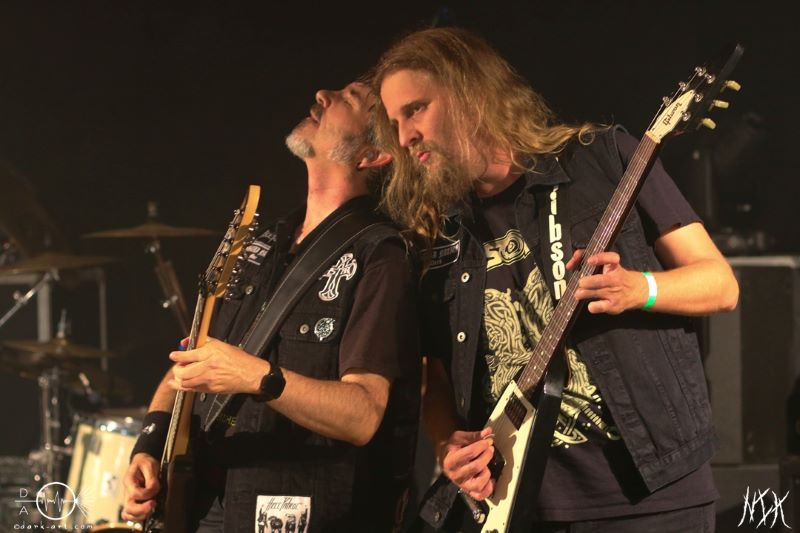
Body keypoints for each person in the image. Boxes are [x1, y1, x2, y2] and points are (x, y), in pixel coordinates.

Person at [373, 27, 739, 532]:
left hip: (651, 496)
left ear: (470, 94)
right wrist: (446, 446)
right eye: (394, 121)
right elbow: (434, 377)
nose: (404, 136)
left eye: (415, 109)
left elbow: (720, 284)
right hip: (520, 506)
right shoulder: (438, 234)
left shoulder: (603, 158)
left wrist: (640, 289)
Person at [121, 81, 421, 532]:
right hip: (206, 507)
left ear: (371, 155)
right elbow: (193, 360)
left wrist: (256, 376)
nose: (323, 95)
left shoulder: (379, 255)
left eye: (350, 99)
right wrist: (149, 445)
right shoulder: (263, 245)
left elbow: (362, 415)